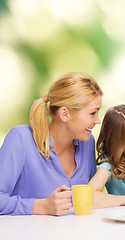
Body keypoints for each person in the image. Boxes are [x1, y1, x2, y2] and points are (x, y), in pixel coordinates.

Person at [0, 73, 103, 215]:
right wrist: (42, 206)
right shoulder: (21, 139)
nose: (98, 120)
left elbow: (93, 197)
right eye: (93, 113)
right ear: (65, 114)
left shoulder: (88, 143)